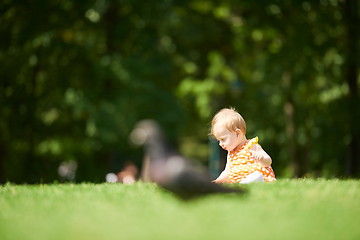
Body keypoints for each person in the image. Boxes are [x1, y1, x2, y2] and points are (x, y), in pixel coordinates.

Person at [210, 108, 276, 184]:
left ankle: (250, 181)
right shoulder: (230, 153)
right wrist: (218, 181)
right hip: (241, 180)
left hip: (258, 177)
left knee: (256, 175)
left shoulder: (251, 145)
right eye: (219, 140)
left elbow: (268, 161)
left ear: (237, 133)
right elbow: (227, 171)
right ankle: (243, 183)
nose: (220, 144)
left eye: (223, 139)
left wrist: (262, 158)